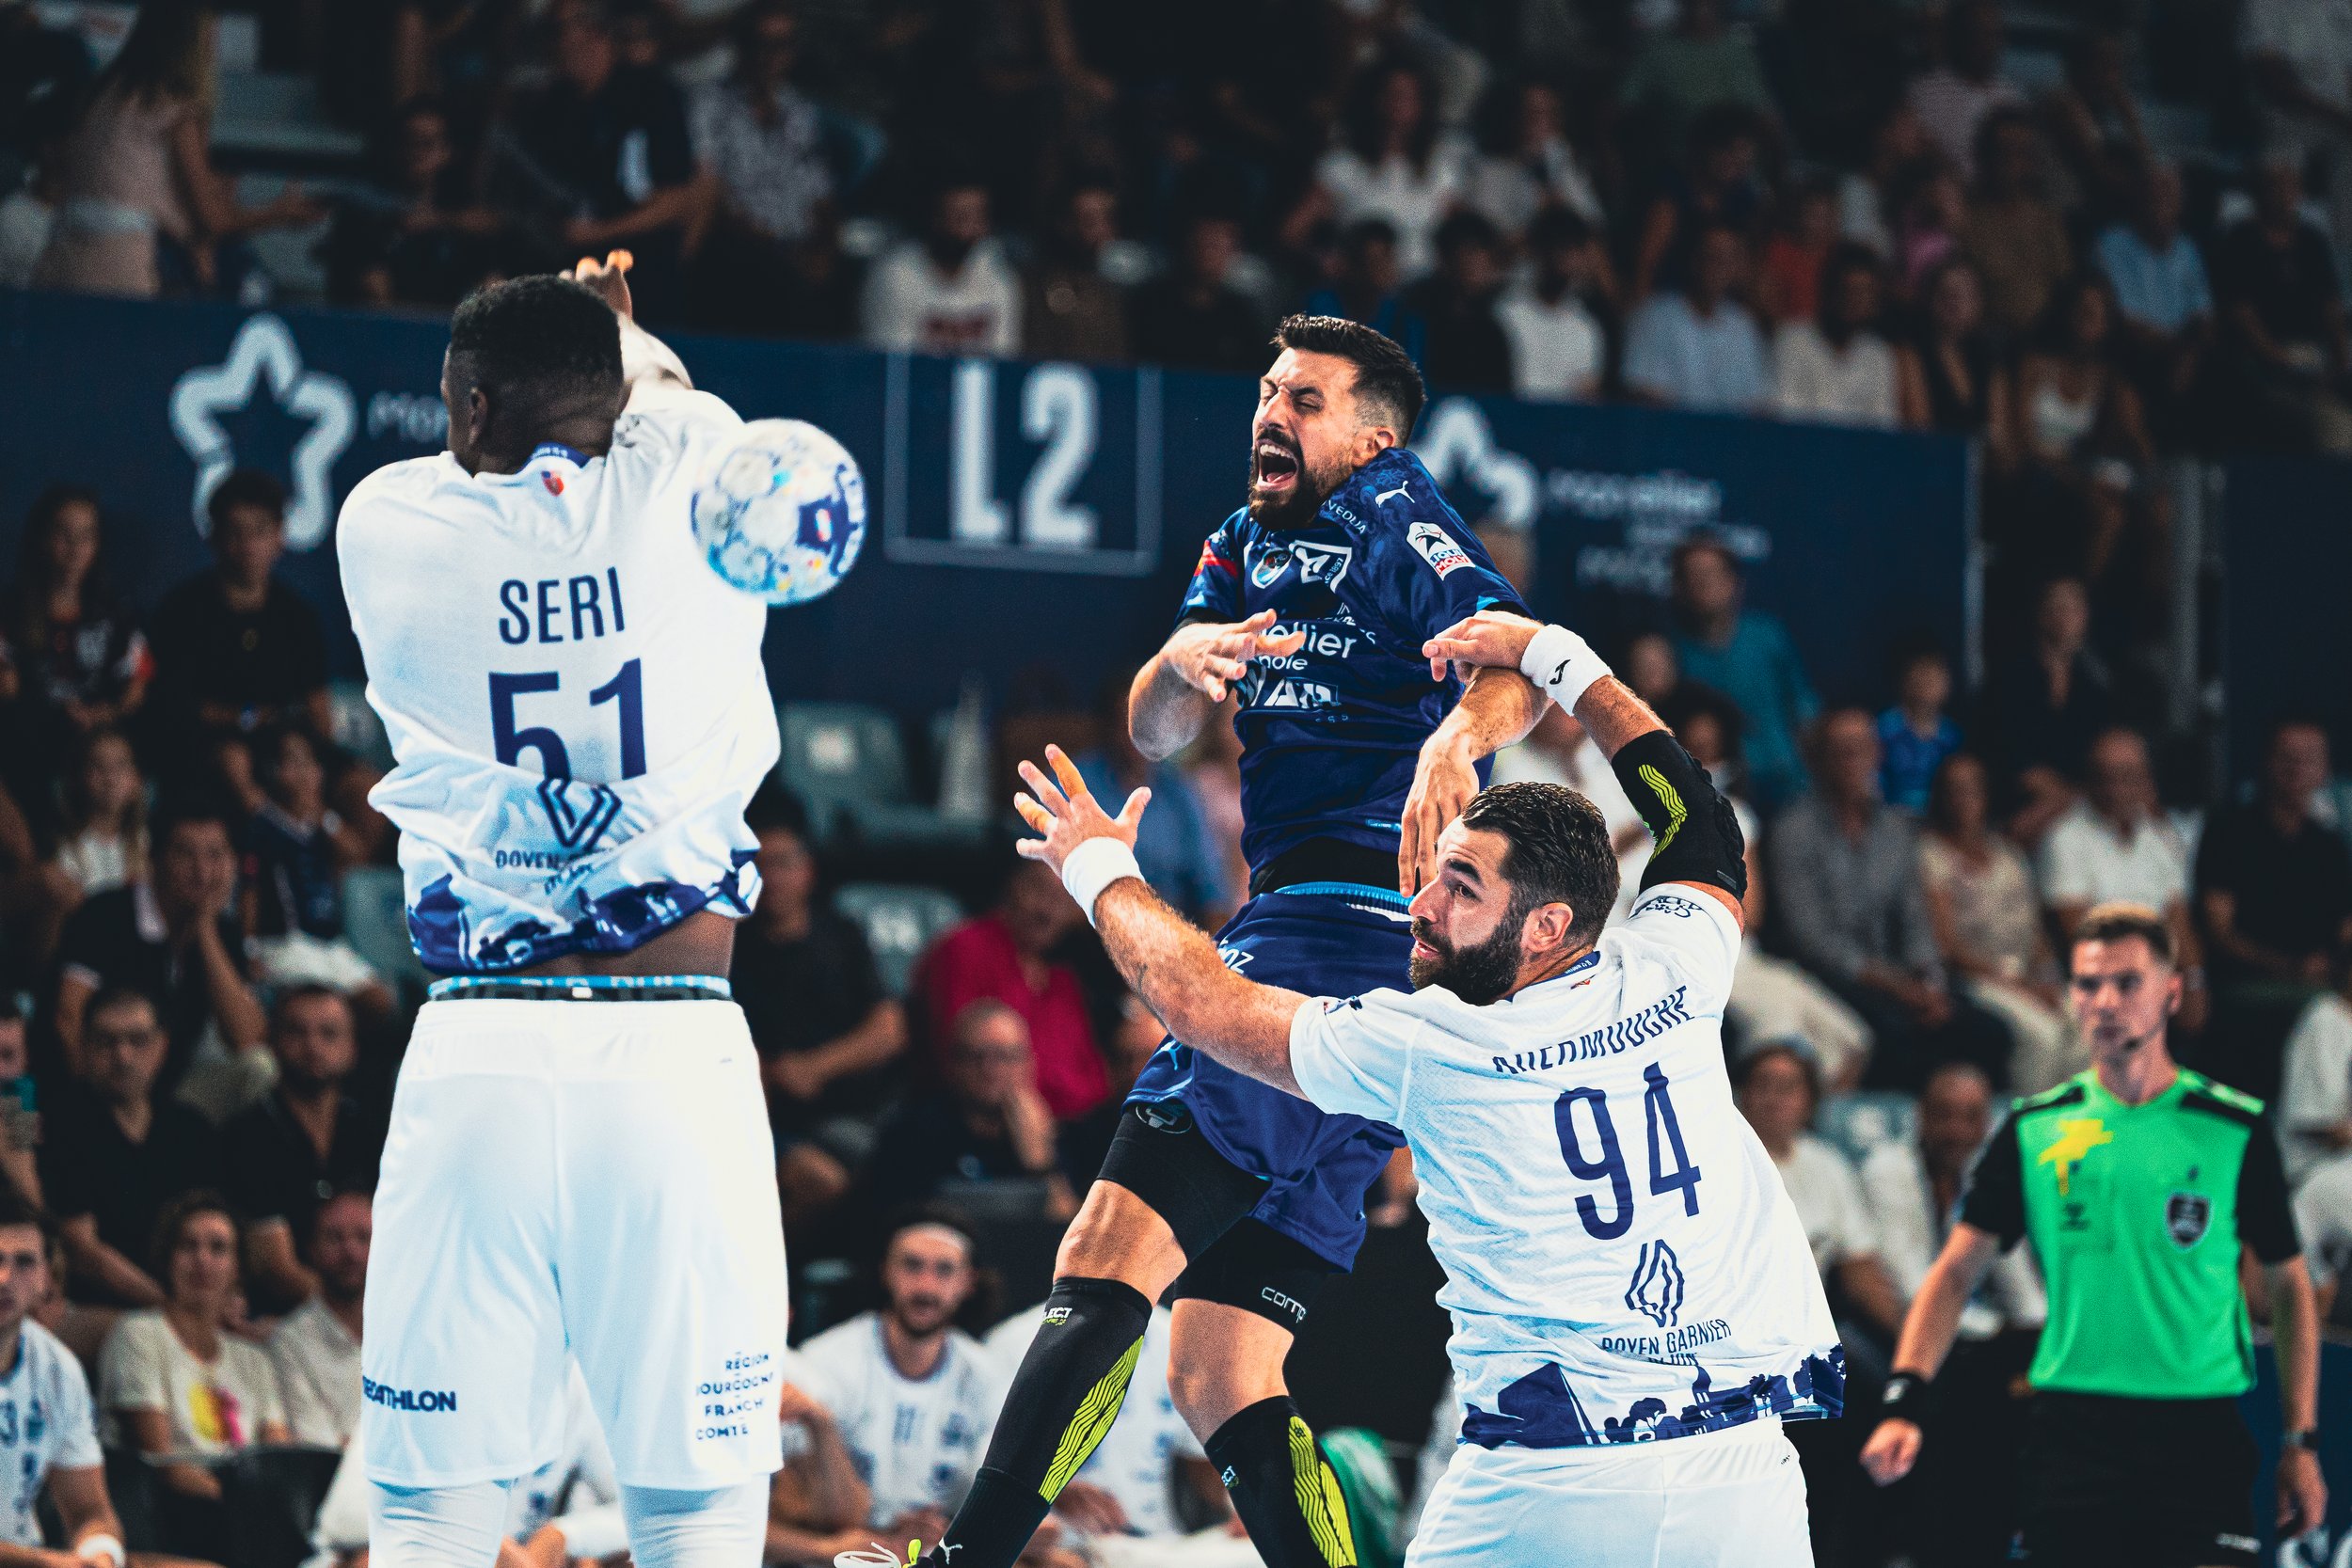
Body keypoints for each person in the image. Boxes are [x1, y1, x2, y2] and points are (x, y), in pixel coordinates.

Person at [984, 600, 1838, 1568]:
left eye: (1460, 887)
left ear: (1548, 926)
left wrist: (1098, 864)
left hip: (1554, 1482)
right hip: (1743, 1476)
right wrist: (1556, 656)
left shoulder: (1434, 1039)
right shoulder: (1678, 964)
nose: (1418, 905)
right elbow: (1700, 818)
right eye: (1434, 872)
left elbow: (1201, 1004)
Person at [886, 315, 1540, 1568]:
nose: (1271, 412)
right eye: (1266, 390)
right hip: (1347, 973)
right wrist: (1180, 660)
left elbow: (1515, 661)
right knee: (1219, 1361)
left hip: (1332, 937)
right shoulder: (1243, 542)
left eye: (1305, 398)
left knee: (1104, 1253)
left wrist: (1460, 738)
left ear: (1372, 436)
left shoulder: (1399, 513)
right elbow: (1158, 728)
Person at [334, 261, 788, 1567]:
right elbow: (654, 409)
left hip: (478, 1047)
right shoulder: (698, 470)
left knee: (428, 1516)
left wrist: (584, 365)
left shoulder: (386, 523)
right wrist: (631, 335)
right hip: (674, 1054)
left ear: (470, 409)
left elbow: (530, 465)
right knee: (698, 1517)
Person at [1860, 904, 2328, 1568]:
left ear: (2172, 992)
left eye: (2127, 983)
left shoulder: (2233, 1127)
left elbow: (2289, 1285)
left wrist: (2300, 1439)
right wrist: (1905, 1398)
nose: (2105, 1001)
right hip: (2072, 1436)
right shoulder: (2035, 1127)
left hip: (2197, 1433)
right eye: (2087, 983)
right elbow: (1956, 1271)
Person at [1854, 1062, 2044, 1568]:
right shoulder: (1888, 1170)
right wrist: (1997, 1333)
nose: (1956, 1131)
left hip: (1970, 1338)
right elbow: (1913, 1284)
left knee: (2028, 1375)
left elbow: (2017, 1282)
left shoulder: (1988, 1173)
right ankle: (1924, 1541)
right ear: (1921, 1117)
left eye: (1970, 1117)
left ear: (1986, 1124)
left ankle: (2005, 1532)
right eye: (1943, 1115)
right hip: (1895, 1330)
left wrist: (2036, 1337)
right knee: (1961, 1380)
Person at [1770, 710, 2013, 1089]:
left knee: (1990, 1032)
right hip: (1830, 977)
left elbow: (1915, 917)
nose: (1852, 761)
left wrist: (1929, 981)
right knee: (1895, 1036)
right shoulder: (1792, 829)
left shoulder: (1896, 828)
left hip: (1900, 978)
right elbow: (1810, 939)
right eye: (1841, 750)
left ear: (1877, 755)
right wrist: (1896, 987)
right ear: (1818, 760)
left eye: (1862, 749)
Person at [30, 0, 316, 298]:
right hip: (118, 272)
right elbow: (211, 219)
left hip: (57, 266)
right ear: (194, 39)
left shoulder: (101, 95)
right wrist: (279, 213)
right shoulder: (172, 107)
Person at [730, 790, 904, 1216]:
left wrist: (814, 1067)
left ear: (808, 870)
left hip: (858, 1111)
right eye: (758, 865)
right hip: (774, 1122)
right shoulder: (733, 948)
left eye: (782, 863)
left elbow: (889, 1029)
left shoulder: (842, 935)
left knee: (905, 1163)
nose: (771, 877)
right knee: (818, 1178)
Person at [99, 1193, 290, 1560]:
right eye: (188, 1246)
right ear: (167, 1259)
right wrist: (247, 1507)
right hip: (169, 1518)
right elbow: (160, 1461)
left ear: (238, 1267)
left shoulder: (253, 1360)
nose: (202, 1259)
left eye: (218, 1248)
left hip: (245, 1518)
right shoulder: (138, 1335)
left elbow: (277, 1456)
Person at [800, 1215, 1003, 1556]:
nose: (926, 1287)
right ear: (885, 1272)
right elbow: (795, 1502)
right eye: (911, 1265)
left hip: (947, 1545)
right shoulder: (824, 1362)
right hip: (849, 1548)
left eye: (944, 1270)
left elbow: (993, 1490)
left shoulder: (988, 1376)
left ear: (969, 1282)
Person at [981, 1302, 1243, 1562]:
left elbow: (1205, 1458)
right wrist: (1048, 1487)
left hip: (1156, 1543)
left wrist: (1244, 1506)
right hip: (1057, 1544)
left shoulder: (1179, 1339)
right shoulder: (1015, 1341)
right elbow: (985, 1457)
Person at [485, 0, 698, 317]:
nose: (554, 44)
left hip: (639, 268)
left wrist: (598, 231)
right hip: (565, 267)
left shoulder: (651, 95)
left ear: (596, 30)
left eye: (559, 30)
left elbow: (678, 199)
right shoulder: (552, 107)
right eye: (549, 32)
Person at [311, 1360, 626, 1568]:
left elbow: (634, 1511)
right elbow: (341, 1521)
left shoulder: (573, 1381)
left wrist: (563, 1535)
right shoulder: (419, 1372)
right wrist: (479, 1540)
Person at [49, 801, 264, 1101]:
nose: (202, 872)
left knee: (258, 1068)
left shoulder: (224, 931)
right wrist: (94, 1105)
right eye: (185, 854)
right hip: (102, 1084)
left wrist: (204, 928)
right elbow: (68, 1018)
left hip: (175, 1090)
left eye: (215, 855)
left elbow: (246, 1037)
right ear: (155, 858)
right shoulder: (104, 913)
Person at [144, 469, 337, 793]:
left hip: (288, 751)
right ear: (214, 537)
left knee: (363, 791)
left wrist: (315, 762)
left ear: (279, 537)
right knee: (234, 762)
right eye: (235, 531)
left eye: (260, 531)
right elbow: (173, 706)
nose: (248, 545)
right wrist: (244, 717)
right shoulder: (182, 611)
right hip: (204, 753)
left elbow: (318, 708)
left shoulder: (298, 616)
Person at [2195, 718, 2352, 1100]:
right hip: (2247, 983)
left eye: (2309, 759)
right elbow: (2219, 933)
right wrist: (2292, 967)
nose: (2297, 769)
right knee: (2324, 1014)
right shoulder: (2228, 830)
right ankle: (2312, 1127)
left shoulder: (2328, 846)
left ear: (2325, 771)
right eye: (2287, 757)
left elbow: (2345, 928)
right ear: (2265, 762)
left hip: (2321, 980)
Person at [40, 989, 220, 1309]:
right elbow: (83, 1250)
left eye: (138, 1041)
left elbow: (220, 1228)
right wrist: (172, 1308)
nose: (122, 1056)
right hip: (99, 1305)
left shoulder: (191, 1127)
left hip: (187, 1299)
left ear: (162, 1046)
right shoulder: (60, 1124)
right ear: (83, 1046)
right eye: (105, 1041)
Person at [1920, 753, 2080, 1094]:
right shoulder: (1931, 855)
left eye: (1972, 789)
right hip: (1975, 978)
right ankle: (2029, 1120)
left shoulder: (2008, 853)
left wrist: (2047, 977)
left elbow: (2035, 930)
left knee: (2088, 1024)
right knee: (2044, 1037)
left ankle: (2076, 1119)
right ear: (1941, 797)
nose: (1964, 799)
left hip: (2025, 973)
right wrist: (2019, 985)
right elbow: (1947, 946)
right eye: (1955, 790)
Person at [0, 1188, 141, 1568]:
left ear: (47, 1279)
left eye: (24, 1262)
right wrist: (52, 1564)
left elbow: (88, 1510)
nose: (5, 1277)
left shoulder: (57, 1368)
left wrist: (101, 1555)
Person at [219, 988, 383, 1312]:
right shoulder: (247, 1136)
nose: (313, 1046)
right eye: (297, 1032)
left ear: (352, 1048)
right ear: (272, 1043)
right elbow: (279, 1272)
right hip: (278, 1318)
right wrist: (361, 1309)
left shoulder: (370, 1131)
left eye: (329, 1033)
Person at [1734, 1043, 1906, 1340]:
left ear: (1809, 1102)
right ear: (1742, 1095)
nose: (1774, 1099)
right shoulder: (1719, 1163)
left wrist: (1912, 1344)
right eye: (1762, 1085)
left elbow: (1860, 1267)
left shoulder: (1828, 1165)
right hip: (1738, 1324)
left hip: (1808, 1329)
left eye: (1787, 1088)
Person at [913, 861, 1107, 1122]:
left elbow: (1095, 1081)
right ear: (1013, 887)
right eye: (1039, 890)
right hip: (985, 1124)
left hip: (1073, 1126)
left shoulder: (1063, 980)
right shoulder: (965, 950)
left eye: (1063, 900)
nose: (1046, 911)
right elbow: (961, 1066)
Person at [2037, 727, 2202, 1022]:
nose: (2114, 789)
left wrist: (2193, 978)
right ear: (2089, 780)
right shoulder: (2065, 838)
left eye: (2127, 777)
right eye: (2104, 776)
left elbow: (2179, 920)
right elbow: (2080, 934)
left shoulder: (2161, 837)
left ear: (2146, 780)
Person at [0, 486, 150, 813]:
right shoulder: (11, 611)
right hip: (35, 739)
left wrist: (105, 713)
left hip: (100, 735)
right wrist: (57, 712)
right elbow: (8, 690)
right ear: (42, 539)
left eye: (86, 536)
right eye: (63, 534)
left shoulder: (116, 612)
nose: (74, 548)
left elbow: (138, 684)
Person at [862, 1001, 1079, 1225]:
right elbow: (891, 1223)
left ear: (1029, 1063)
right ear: (953, 1064)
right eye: (976, 1055)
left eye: (1004, 1056)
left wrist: (1041, 1163)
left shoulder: (1053, 1134)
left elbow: (1070, 1227)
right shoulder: (913, 1133)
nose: (990, 1069)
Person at [237, 726, 389, 1007]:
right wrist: (250, 949)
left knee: (380, 1001)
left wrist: (323, 816)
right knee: (332, 1006)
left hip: (330, 944)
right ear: (273, 770)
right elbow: (250, 891)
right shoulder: (263, 824)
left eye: (310, 762)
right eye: (293, 762)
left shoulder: (322, 825)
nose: (305, 772)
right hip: (286, 944)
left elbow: (357, 856)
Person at [2211, 153, 2352, 454]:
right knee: (2334, 427)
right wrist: (2283, 362)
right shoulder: (2240, 240)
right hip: (2268, 359)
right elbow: (2242, 315)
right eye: (2274, 185)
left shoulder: (2313, 240)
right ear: (2259, 192)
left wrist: (2340, 358)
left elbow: (2331, 306)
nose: (2283, 193)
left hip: (2317, 353)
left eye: (2290, 185)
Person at [1665, 538, 1817, 809]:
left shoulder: (1767, 636)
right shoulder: (1670, 651)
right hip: (1711, 791)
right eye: (1693, 575)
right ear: (1679, 587)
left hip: (1784, 782)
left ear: (1735, 583)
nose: (1703, 583)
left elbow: (1805, 711)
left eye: (1711, 573)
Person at [1073, 679, 1233, 927]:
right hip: (1092, 924)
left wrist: (1217, 944)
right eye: (1125, 725)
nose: (1137, 737)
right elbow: (1046, 877)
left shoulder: (1179, 791)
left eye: (1147, 724)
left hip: (1172, 925)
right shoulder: (1076, 782)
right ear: (1106, 727)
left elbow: (1213, 892)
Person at [1298, 56, 1471, 282]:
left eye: (1407, 97)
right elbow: (1292, 233)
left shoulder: (1440, 170)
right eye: (1391, 94)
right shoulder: (1341, 166)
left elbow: (1464, 239)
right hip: (1360, 289)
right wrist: (1324, 261)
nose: (1397, 105)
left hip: (1421, 289)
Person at [862, 176, 1021, 356]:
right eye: (961, 218)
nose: (969, 230)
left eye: (978, 218)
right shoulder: (896, 274)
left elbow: (1004, 358)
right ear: (936, 218)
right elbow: (894, 362)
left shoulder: (999, 272)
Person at [1620, 224, 1770, 414]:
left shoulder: (1743, 325)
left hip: (1730, 432)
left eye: (1727, 260)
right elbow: (1643, 393)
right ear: (1694, 259)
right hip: (1671, 429)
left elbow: (1757, 404)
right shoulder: (1655, 316)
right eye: (1712, 257)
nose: (1718, 268)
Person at [268, 1189, 370, 1449]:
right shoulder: (290, 1342)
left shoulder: (408, 1335)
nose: (350, 1252)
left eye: (364, 1237)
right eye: (335, 1238)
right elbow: (318, 1449)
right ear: (312, 1250)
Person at [1961, 111, 2073, 339]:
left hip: (2051, 338)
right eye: (2003, 151)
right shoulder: (1967, 221)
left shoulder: (2048, 219)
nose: (2012, 162)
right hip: (1991, 340)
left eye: (2022, 152)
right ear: (1986, 156)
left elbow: (2066, 284)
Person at [1772, 243, 1899, 427]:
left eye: (1863, 292)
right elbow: (1785, 412)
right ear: (1830, 291)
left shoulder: (1878, 354)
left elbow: (1883, 424)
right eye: (1848, 290)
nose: (1854, 300)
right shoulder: (1792, 339)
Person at [1495, 207, 1608, 403]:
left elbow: (1587, 396)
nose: (1565, 257)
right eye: (1558, 245)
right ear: (1539, 249)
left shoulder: (1586, 328)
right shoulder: (1506, 312)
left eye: (1573, 248)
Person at [1129, 214, 1265, 375]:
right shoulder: (1152, 305)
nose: (1209, 255)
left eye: (1218, 247)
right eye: (1204, 244)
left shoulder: (1239, 315)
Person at [1896, 257, 2013, 441]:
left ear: (1979, 301)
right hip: (1933, 453)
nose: (1953, 302)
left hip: (1980, 456)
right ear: (1931, 299)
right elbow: (1919, 428)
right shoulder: (1913, 352)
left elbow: (1999, 434)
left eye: (1963, 294)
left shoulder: (1990, 358)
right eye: (1946, 293)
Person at [1904, 0, 2023, 179]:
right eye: (1980, 34)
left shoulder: (2012, 97)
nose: (1990, 44)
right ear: (1961, 37)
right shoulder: (1925, 93)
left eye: (1995, 35)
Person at [1402, 212, 1512, 392]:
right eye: (1469, 253)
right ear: (1446, 259)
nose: (1476, 265)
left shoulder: (1493, 330)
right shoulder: (1415, 319)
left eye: (1483, 256)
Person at [1023, 181, 1130, 365]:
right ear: (1064, 224)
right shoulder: (1035, 288)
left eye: (1107, 220)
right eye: (1089, 221)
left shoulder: (1116, 291)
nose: (1101, 231)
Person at [1876, 644, 1963, 815]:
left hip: (1939, 820)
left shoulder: (1952, 736)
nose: (1927, 682)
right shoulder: (1884, 729)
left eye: (1934, 676)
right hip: (1890, 817)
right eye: (1920, 673)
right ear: (1904, 680)